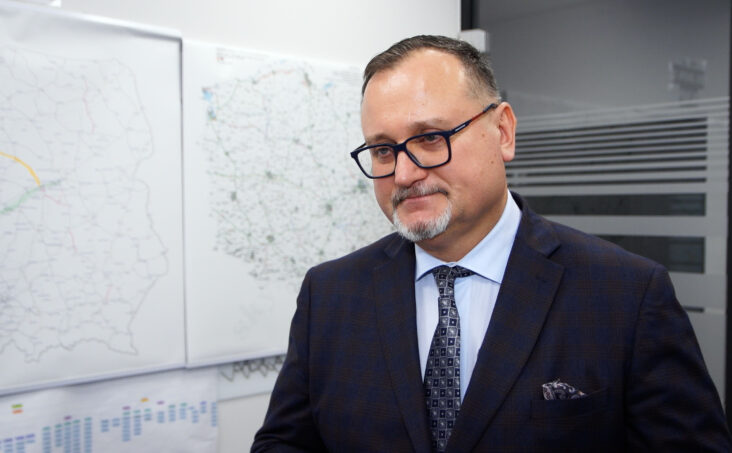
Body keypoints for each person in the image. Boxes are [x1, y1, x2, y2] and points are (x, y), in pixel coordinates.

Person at [251, 35, 731, 452]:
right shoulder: (329, 295)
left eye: (430, 138)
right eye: (382, 150)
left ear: (502, 132)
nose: (403, 173)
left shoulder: (627, 295)